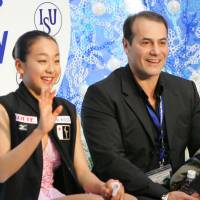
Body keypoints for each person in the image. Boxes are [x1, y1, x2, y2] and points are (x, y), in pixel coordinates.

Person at [0, 30, 137, 200]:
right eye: (42, 61)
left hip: (53, 195)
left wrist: (104, 188)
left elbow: (82, 172)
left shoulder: (66, 110)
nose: (51, 69)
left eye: (56, 61)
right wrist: (39, 132)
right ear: (20, 66)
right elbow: (2, 172)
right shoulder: (5, 108)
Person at [81, 11, 200, 200]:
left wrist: (194, 190)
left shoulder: (186, 90)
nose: (156, 51)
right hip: (128, 194)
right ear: (126, 45)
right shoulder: (101, 95)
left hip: (180, 191)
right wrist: (166, 197)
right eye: (146, 43)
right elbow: (111, 162)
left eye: (162, 42)